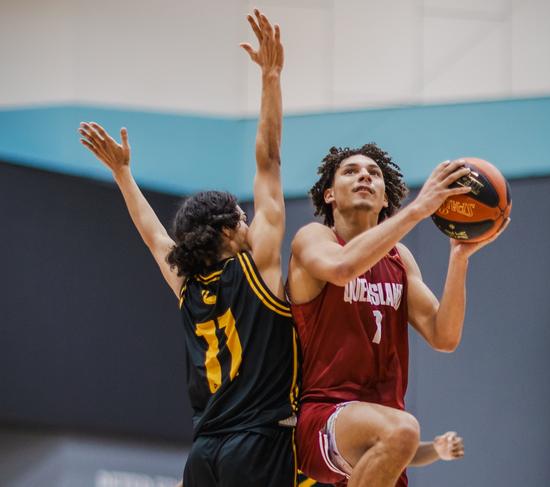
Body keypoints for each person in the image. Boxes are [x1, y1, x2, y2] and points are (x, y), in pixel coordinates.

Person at [79, 10, 302, 486]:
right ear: (226, 232)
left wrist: (122, 174)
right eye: (242, 217)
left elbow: (153, 235)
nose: (250, 221)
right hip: (255, 443)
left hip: (203, 454)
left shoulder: (188, 285)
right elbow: (269, 161)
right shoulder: (257, 266)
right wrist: (271, 77)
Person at [289, 144, 509, 486]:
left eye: (374, 173)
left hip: (384, 432)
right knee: (404, 428)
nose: (364, 174)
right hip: (324, 415)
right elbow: (343, 268)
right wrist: (418, 209)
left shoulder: (399, 259)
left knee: (401, 431)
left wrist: (459, 258)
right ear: (329, 195)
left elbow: (444, 335)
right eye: (350, 171)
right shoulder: (315, 238)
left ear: (384, 199)